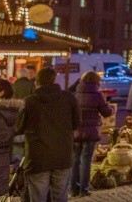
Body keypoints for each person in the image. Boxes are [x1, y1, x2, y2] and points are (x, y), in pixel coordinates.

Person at [15, 66, 80, 202]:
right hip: (63, 154)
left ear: (37, 81)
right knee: (60, 194)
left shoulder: (30, 101)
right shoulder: (69, 98)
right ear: (54, 79)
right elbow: (76, 123)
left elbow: (19, 127)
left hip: (38, 156)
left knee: (38, 195)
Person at [71, 71, 114, 197]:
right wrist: (112, 108)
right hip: (91, 131)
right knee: (86, 160)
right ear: (96, 81)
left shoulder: (75, 94)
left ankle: (74, 188)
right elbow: (106, 112)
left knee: (75, 160)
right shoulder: (97, 95)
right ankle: (84, 189)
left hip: (77, 131)